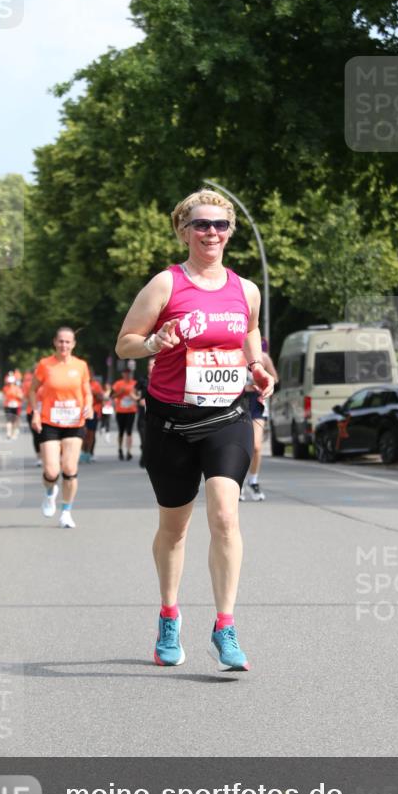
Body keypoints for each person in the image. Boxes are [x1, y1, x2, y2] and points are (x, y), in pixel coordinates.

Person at [115, 189, 275, 672]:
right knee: (174, 529)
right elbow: (125, 344)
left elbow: (248, 332)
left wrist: (257, 365)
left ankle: (225, 627)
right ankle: (169, 615)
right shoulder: (166, 284)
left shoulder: (246, 289)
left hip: (227, 417)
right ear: (184, 230)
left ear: (230, 232)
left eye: (221, 225)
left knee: (226, 516)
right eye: (202, 224)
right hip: (170, 423)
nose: (212, 233)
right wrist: (154, 343)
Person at [29, 327, 92, 529]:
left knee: (70, 468)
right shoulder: (45, 365)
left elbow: (87, 392)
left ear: (73, 344)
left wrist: (89, 405)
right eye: (61, 341)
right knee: (51, 471)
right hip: (50, 421)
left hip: (74, 422)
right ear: (54, 342)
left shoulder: (81, 366)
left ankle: (66, 512)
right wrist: (36, 413)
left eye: (68, 342)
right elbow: (32, 390)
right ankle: (49, 493)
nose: (64, 345)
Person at [240, 337, 279, 501]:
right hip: (239, 401)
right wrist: (244, 386)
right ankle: (238, 482)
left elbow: (275, 379)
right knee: (240, 445)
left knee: (256, 446)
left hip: (257, 403)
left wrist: (263, 381)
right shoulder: (236, 356)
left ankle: (253, 480)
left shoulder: (263, 357)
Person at [112, 366, 139, 461]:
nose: (127, 375)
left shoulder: (134, 383)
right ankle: (120, 449)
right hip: (120, 411)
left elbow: (138, 395)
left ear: (130, 374)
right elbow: (112, 396)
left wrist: (134, 396)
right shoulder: (118, 384)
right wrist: (120, 392)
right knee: (121, 431)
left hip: (131, 410)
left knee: (129, 432)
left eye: (128, 373)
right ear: (122, 374)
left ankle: (129, 451)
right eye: (125, 373)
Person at [82, 373, 104, 462]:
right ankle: (83, 451)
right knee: (83, 433)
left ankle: (90, 453)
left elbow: (101, 398)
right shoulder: (81, 384)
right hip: (82, 411)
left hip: (94, 411)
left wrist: (95, 393)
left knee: (91, 434)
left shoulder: (96, 385)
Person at [22, 369, 42, 465]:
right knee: (36, 435)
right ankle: (39, 457)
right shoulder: (28, 384)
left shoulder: (48, 383)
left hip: (46, 413)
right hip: (32, 412)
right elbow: (25, 398)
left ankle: (48, 456)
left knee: (46, 435)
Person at [1, 373, 22, 439]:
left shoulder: (7, 388)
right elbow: (21, 396)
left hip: (13, 405)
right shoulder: (16, 388)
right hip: (10, 405)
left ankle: (10, 433)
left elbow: (21, 396)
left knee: (11, 420)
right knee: (11, 420)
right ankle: (10, 433)